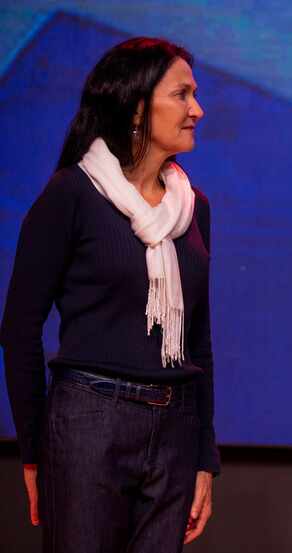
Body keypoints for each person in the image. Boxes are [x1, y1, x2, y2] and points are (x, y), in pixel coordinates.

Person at [0, 37, 219, 552]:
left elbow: (198, 340)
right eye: (182, 95)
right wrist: (35, 450)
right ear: (138, 106)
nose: (197, 109)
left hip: (174, 428)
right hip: (88, 425)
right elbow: (18, 329)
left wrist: (205, 455)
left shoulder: (194, 208)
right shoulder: (73, 195)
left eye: (195, 95)